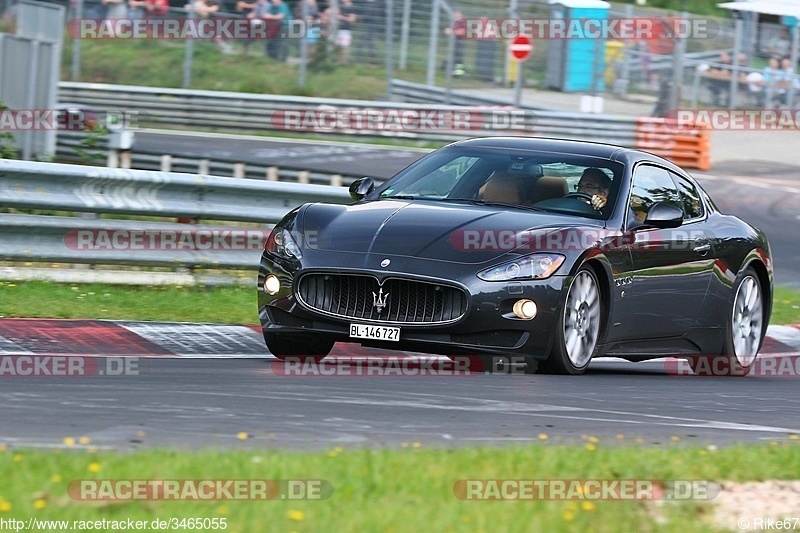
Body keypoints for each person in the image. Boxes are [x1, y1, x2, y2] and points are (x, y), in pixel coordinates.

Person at [335, 0, 357, 64]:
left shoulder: (352, 6)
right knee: (337, 45)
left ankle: (344, 62)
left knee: (345, 46)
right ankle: (337, 61)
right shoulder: (339, 5)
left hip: (346, 30)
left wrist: (342, 17)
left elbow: (352, 19)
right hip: (337, 29)